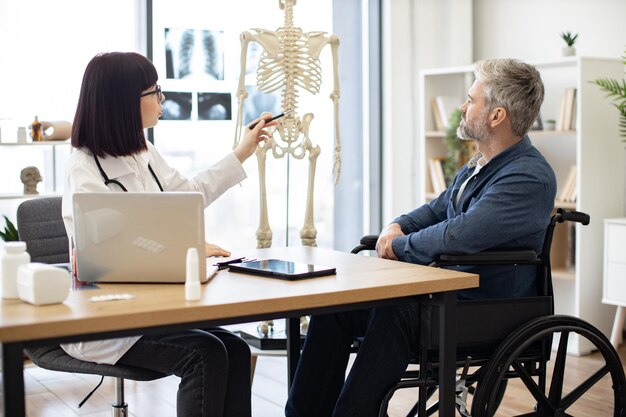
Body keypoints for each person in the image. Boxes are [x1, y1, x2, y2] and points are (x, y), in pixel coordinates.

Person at [285, 58, 557, 417]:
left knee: (395, 309)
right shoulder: (478, 165)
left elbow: (461, 234)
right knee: (335, 307)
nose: (462, 107)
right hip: (449, 295)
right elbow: (435, 211)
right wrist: (394, 227)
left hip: (486, 307)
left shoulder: (528, 177)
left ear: (497, 116)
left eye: (471, 100)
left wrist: (400, 247)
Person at [61, 52, 275, 417]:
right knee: (204, 355)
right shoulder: (84, 168)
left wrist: (242, 151)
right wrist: (188, 248)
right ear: (125, 101)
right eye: (155, 91)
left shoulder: (143, 151)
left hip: (154, 309)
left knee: (236, 349)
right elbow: (105, 257)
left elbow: (187, 195)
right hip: (108, 321)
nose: (162, 99)